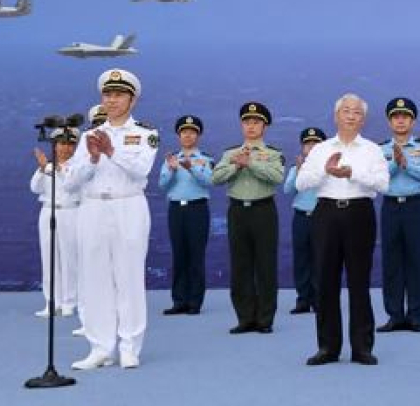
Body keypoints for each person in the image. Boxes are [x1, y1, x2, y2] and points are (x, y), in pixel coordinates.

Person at [62, 69, 158, 370]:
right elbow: (70, 182)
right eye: (107, 94)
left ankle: (130, 346)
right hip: (92, 208)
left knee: (129, 277)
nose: (111, 100)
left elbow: (141, 170)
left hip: (128, 205)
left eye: (118, 95)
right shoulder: (88, 136)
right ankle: (100, 347)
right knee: (94, 279)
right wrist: (92, 158)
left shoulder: (146, 133)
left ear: (132, 100)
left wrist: (111, 151)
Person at [296, 93, 389, 366]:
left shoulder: (372, 150)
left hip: (360, 213)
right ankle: (327, 347)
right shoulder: (321, 149)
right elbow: (301, 183)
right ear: (336, 116)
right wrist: (325, 171)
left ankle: (362, 348)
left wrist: (352, 174)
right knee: (325, 281)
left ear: (363, 119)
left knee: (359, 281)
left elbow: (383, 184)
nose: (351, 115)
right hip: (326, 213)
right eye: (346, 111)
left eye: (357, 112)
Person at [212, 102, 285, 334]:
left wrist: (251, 163)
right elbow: (216, 178)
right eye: (247, 122)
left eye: (256, 122)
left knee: (265, 265)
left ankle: (264, 320)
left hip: (263, 211)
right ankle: (245, 318)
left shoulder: (273, 153)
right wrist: (236, 166)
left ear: (265, 126)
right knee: (240, 266)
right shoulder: (230, 153)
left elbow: (276, 177)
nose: (251, 126)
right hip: (237, 212)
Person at [379, 97, 420, 333]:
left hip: (416, 207)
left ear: (413, 122)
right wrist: (395, 163)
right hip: (391, 207)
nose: (400, 120)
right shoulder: (380, 149)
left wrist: (407, 165)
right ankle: (395, 315)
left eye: (405, 117)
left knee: (417, 260)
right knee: (391, 261)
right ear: (389, 121)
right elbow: (377, 177)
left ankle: (416, 315)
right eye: (396, 117)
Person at [159, 114, 213, 316]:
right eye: (184, 132)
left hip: (197, 209)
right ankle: (179, 301)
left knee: (196, 256)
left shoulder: (205, 159)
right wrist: (172, 170)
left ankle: (195, 302)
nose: (188, 136)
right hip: (176, 210)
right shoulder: (171, 159)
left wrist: (192, 169)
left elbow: (209, 181)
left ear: (198, 136)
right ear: (179, 135)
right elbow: (162, 185)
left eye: (192, 132)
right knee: (179, 255)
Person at [30, 127, 81, 319]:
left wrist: (54, 169)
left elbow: (72, 185)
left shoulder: (79, 167)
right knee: (49, 258)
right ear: (54, 145)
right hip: (48, 211)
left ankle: (69, 301)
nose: (66, 148)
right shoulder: (47, 166)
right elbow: (35, 188)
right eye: (62, 144)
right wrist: (43, 169)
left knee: (70, 259)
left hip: (70, 212)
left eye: (70, 144)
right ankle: (52, 301)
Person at [282, 127, 326, 315]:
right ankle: (303, 299)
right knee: (301, 260)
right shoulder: (296, 168)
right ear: (302, 147)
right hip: (301, 218)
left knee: (320, 259)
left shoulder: (328, 168)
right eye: (308, 143)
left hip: (321, 218)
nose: (311, 147)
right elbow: (287, 190)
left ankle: (319, 299)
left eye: (316, 143)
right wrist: (299, 171)